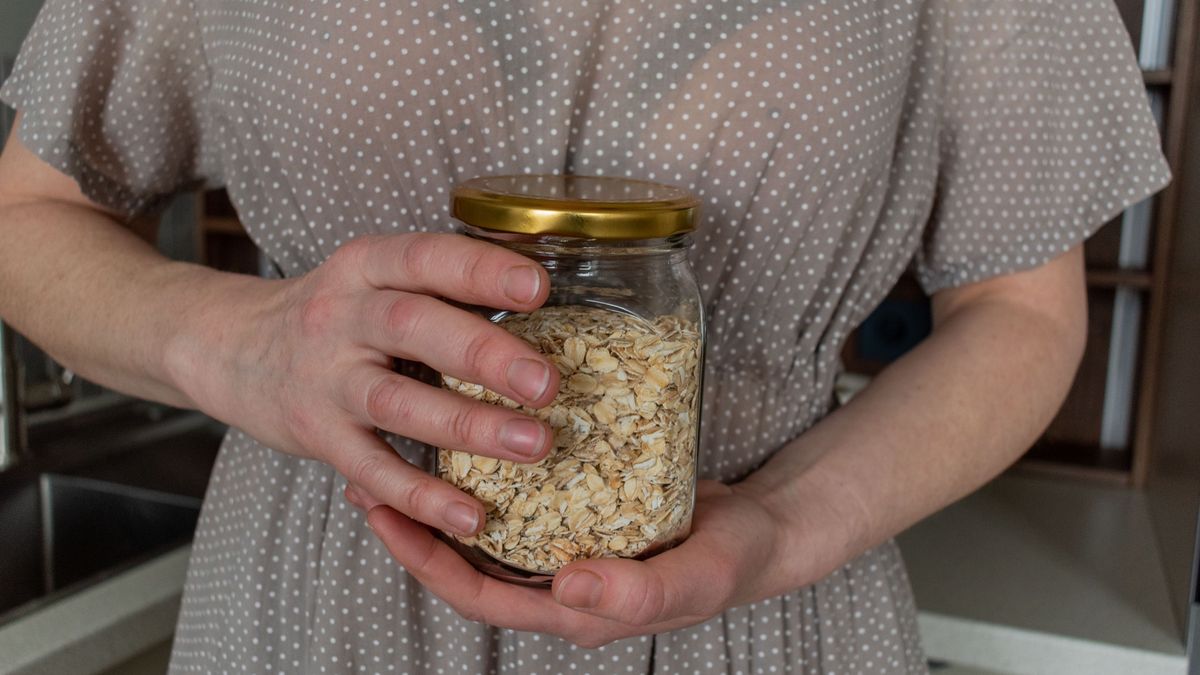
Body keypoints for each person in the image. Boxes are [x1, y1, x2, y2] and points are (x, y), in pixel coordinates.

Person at [0, 0, 1169, 672]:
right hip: (321, 598)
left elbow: (1019, 313)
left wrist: (789, 524)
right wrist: (238, 337)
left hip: (766, 588)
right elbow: (28, 215)